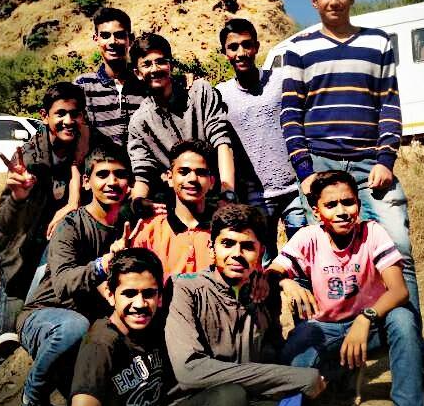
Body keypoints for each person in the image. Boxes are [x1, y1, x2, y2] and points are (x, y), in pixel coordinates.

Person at [280, 0, 424, 394]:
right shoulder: (298, 49)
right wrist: (306, 172)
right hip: (321, 168)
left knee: (399, 256)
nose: (334, 1)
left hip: (372, 166)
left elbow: (389, 105)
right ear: (314, 1)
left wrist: (386, 158)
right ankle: (324, 363)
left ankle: (416, 359)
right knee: (319, 263)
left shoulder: (377, 42)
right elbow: (290, 113)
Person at [267, 170, 424, 406]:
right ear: (317, 212)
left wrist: (365, 319)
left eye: (348, 202)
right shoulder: (309, 237)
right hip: (325, 330)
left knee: (404, 321)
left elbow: (399, 290)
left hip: (370, 328)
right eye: (331, 205)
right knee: (293, 359)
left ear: (358, 205)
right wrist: (287, 282)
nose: (341, 211)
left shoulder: (372, 232)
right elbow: (273, 272)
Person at [161, 204, 326, 406]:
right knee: (231, 397)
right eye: (227, 244)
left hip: (248, 404)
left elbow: (270, 355)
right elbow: (189, 371)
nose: (236, 254)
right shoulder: (187, 289)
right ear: (212, 248)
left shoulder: (262, 293)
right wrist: (294, 377)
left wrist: (280, 281)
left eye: (247, 246)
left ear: (261, 252)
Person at [16, 145, 132, 406]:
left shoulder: (127, 223)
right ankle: (33, 398)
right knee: (74, 327)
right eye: (102, 174)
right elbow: (64, 283)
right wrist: (104, 264)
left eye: (120, 175)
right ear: (86, 182)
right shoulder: (70, 226)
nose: (112, 182)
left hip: (92, 325)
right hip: (47, 315)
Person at [0, 82, 86, 391]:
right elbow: (5, 223)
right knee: (1, 347)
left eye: (75, 114)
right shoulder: (30, 160)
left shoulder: (81, 151)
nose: (68, 121)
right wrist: (18, 197)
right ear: (44, 116)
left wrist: (74, 200)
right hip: (21, 267)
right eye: (60, 114)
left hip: (55, 269)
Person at [58, 248, 208, 406]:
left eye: (148, 293)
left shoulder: (160, 326)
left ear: (160, 297)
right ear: (110, 295)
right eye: (129, 293)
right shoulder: (100, 344)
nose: (139, 304)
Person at [216, 18, 306, 262]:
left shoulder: (280, 80)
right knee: (262, 261)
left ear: (256, 46)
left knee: (302, 258)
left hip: (294, 189)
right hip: (254, 196)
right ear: (224, 52)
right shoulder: (221, 94)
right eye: (233, 47)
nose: (241, 52)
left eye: (247, 45)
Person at [127, 33, 235, 216]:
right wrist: (138, 202)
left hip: (216, 197)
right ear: (137, 73)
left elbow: (222, 142)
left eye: (161, 62)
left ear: (171, 65)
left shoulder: (200, 92)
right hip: (176, 206)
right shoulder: (139, 122)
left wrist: (228, 192)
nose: (155, 69)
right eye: (147, 64)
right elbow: (143, 173)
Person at [132, 139, 215, 280]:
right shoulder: (149, 231)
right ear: (170, 178)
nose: (192, 178)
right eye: (184, 172)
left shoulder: (224, 231)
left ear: (211, 182)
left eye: (201, 173)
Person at [74, 7, 147, 147]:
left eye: (119, 35)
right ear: (96, 39)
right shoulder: (83, 85)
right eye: (105, 35)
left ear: (130, 39)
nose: (112, 41)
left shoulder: (144, 83)